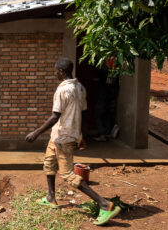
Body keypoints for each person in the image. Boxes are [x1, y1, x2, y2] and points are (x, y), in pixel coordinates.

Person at [25, 57, 121, 226]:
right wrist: (81, 134)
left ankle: (105, 204)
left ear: (61, 72)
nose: (55, 73)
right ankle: (51, 197)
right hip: (61, 136)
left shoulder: (62, 90)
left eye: (56, 71)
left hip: (64, 138)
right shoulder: (80, 88)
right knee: (49, 163)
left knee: (68, 174)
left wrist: (36, 132)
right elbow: (82, 113)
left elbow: (55, 116)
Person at [93, 57, 120, 142]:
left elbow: (96, 65)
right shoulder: (117, 71)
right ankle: (107, 133)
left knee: (98, 112)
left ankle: (102, 134)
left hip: (104, 93)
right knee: (107, 112)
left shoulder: (104, 70)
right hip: (112, 92)